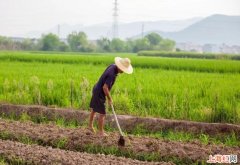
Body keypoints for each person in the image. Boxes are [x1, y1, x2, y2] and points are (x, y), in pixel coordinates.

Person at [88, 57, 133, 136]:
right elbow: (105, 87)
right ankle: (100, 132)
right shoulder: (112, 74)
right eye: (123, 69)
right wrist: (110, 99)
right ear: (120, 67)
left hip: (96, 88)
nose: (123, 71)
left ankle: (90, 126)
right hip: (100, 92)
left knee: (94, 109)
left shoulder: (112, 66)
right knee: (102, 113)